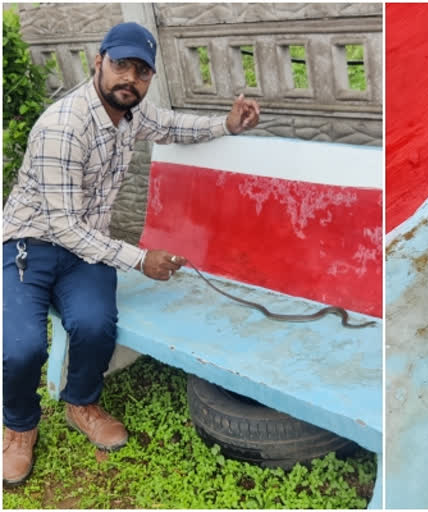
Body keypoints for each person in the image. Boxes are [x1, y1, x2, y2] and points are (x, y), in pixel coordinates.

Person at [3, 21, 260, 487]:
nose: (130, 79)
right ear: (98, 62)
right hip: (32, 243)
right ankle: (19, 427)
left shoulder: (131, 113)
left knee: (96, 326)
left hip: (88, 244)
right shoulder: (63, 127)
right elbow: (64, 226)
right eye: (121, 65)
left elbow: (175, 125)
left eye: (142, 72)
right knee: (21, 347)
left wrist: (226, 124)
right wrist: (141, 259)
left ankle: (81, 403)